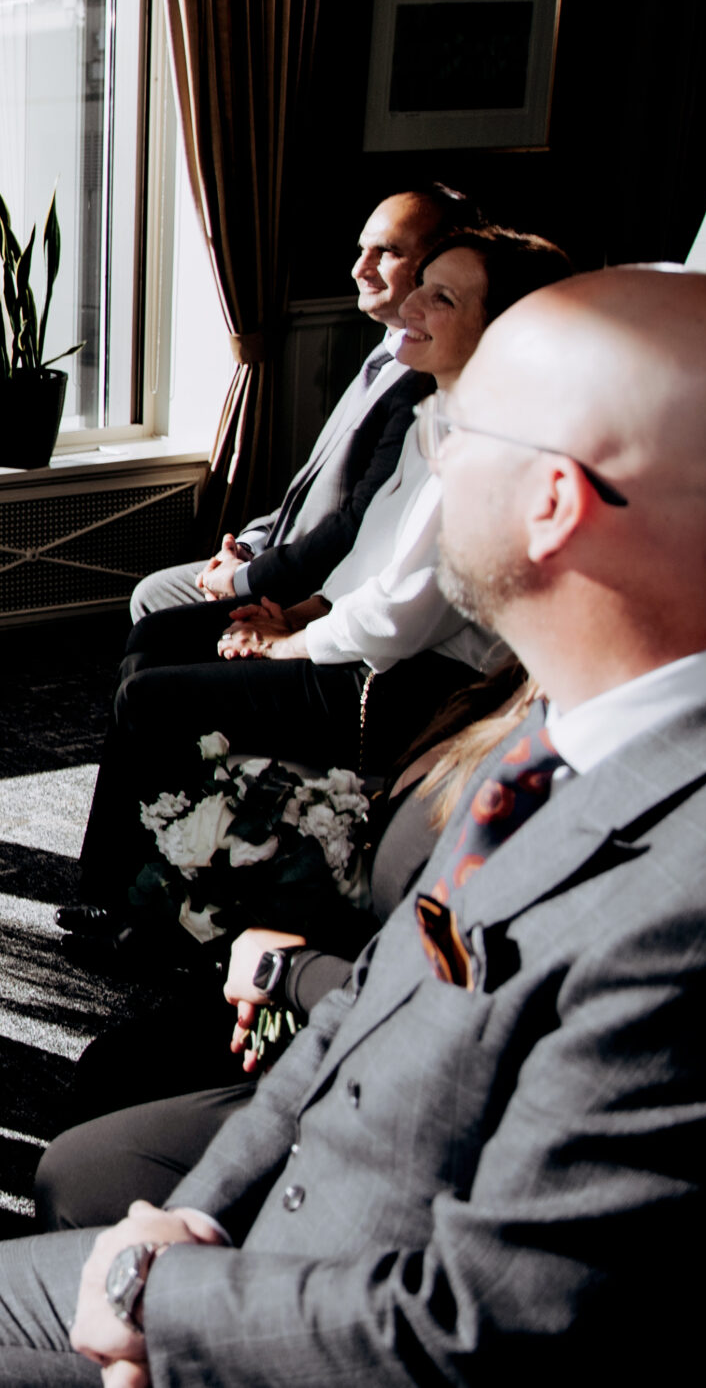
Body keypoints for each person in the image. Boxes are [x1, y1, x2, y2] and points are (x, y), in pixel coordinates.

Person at [0, 265, 706, 1387]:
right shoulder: (576, 715)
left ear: (554, 500)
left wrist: (161, 1303)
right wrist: (190, 1221)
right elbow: (368, 1007)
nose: (436, 458)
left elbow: (488, 1325)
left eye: (461, 430)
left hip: (373, 1316)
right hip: (296, 1218)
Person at [68, 228, 573, 934]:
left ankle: (134, 905)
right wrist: (302, 611)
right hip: (362, 643)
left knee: (149, 698)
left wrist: (286, 643)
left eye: (442, 298)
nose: (412, 306)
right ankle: (151, 874)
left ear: (504, 329)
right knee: (155, 639)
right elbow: (374, 557)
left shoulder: (489, 446)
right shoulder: (439, 412)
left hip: (404, 686)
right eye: (422, 287)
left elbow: (399, 618)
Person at [36, 668, 534, 1230]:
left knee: (88, 1156)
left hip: (374, 1037)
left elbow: (451, 997)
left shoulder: (544, 772)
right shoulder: (504, 693)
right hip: (339, 978)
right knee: (112, 1067)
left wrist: (288, 972)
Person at [129, 185, 473, 619]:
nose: (359, 269)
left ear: (437, 267)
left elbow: (355, 527)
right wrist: (247, 545)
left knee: (153, 609)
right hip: (270, 558)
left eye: (387, 252)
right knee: (153, 595)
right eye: (361, 250)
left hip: (307, 589)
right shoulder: (383, 356)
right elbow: (309, 494)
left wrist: (242, 579)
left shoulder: (422, 386)